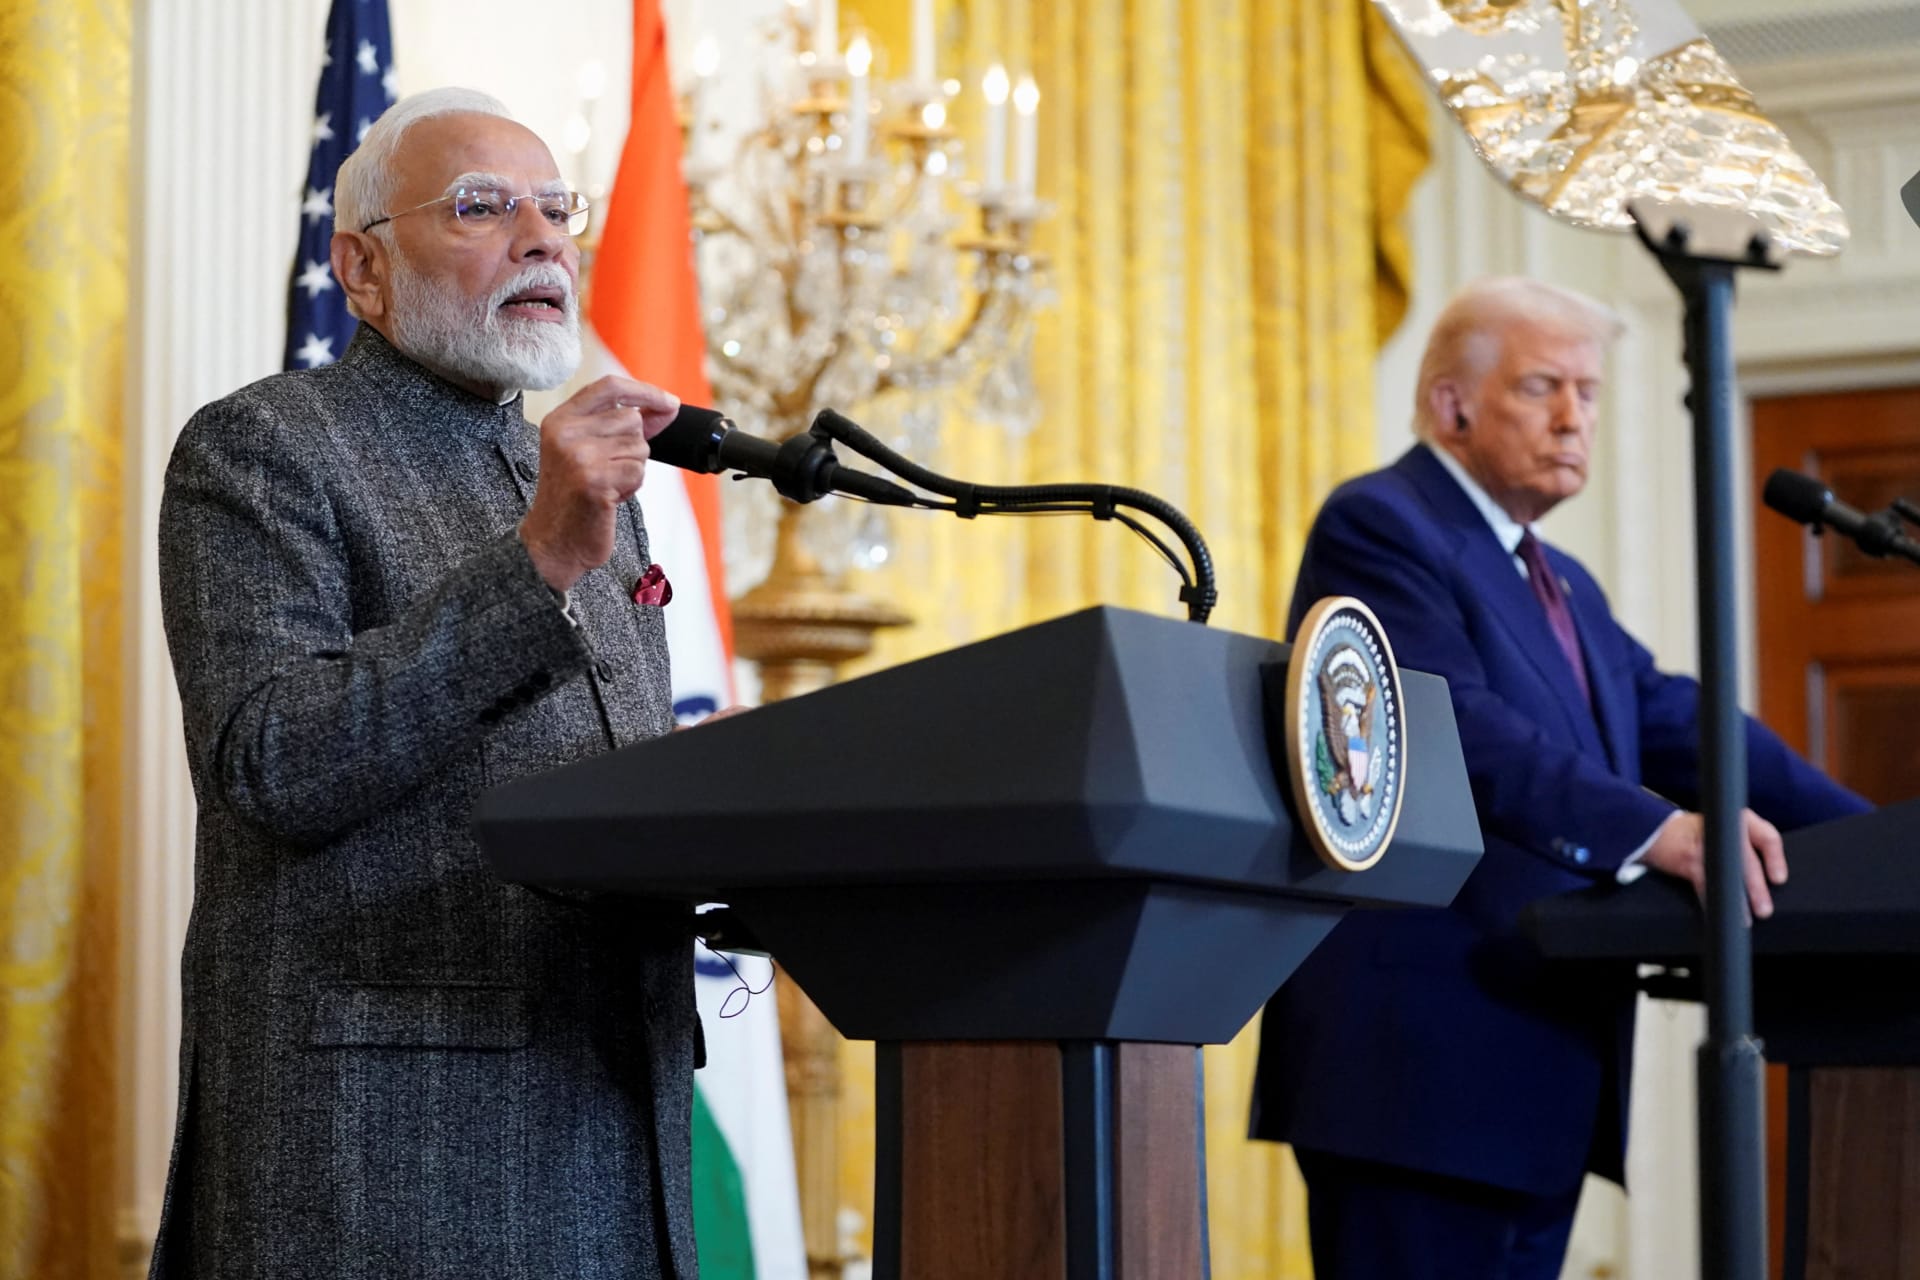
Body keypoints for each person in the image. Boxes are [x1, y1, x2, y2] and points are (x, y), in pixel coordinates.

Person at [150, 87, 706, 1279]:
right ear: (360, 268)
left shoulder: (589, 487)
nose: (545, 236)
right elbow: (274, 762)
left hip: (618, 1124)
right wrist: (537, 562)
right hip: (389, 1160)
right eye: (482, 207)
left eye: (558, 208)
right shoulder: (264, 448)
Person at [1249, 277, 1869, 1279]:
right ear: (1453, 405)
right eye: (1544, 386)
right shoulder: (1382, 524)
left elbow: (1688, 722)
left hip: (1536, 1063)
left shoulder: (1560, 582)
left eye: (1587, 389)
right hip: (1421, 1073)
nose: (1577, 415)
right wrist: (1659, 829)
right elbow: (1446, 724)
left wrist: (1877, 839)